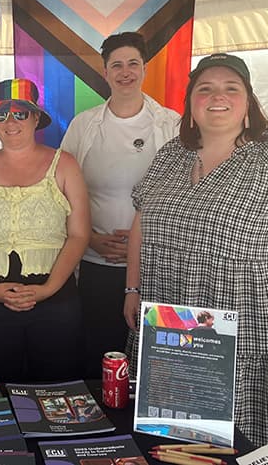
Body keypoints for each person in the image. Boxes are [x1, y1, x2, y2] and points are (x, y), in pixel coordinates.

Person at [123, 53, 268, 448]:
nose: (217, 97)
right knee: (177, 439)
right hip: (173, 323)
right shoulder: (172, 155)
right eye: (204, 89)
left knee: (248, 443)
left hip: (254, 326)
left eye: (231, 88)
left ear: (248, 103)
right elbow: (142, 219)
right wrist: (132, 289)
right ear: (191, 104)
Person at [60, 32, 180, 378]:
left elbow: (184, 195)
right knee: (98, 350)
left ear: (144, 68)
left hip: (155, 263)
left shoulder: (171, 125)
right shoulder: (84, 125)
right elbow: (63, 191)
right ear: (105, 71)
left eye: (133, 64)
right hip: (97, 261)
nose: (125, 72)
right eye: (117, 65)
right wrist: (89, 239)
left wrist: (141, 243)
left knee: (152, 356)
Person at [0, 78, 90, 383]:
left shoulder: (65, 164)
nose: (10, 122)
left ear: (35, 118)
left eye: (19, 113)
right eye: (1, 115)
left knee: (58, 393)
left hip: (56, 302)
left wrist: (47, 289)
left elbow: (79, 234)